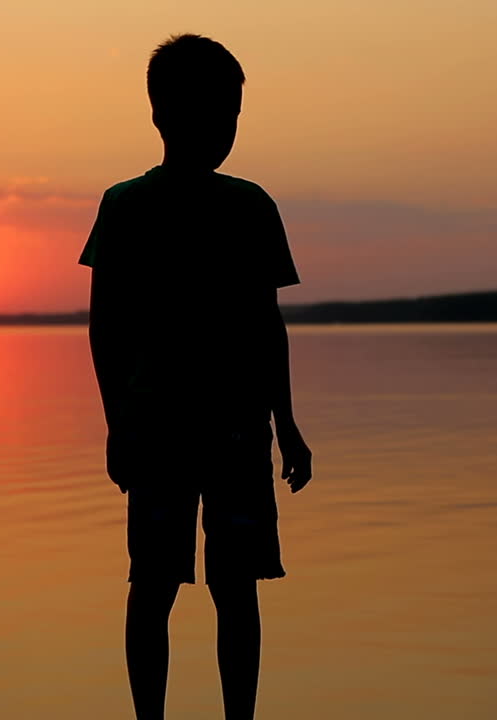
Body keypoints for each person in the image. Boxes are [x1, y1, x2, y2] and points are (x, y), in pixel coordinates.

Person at [78, 33, 314, 720]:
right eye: (210, 113)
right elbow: (106, 329)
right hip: (155, 426)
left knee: (236, 584)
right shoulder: (124, 206)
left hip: (241, 427)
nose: (222, 129)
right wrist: (117, 423)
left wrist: (289, 425)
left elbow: (267, 326)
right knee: (153, 583)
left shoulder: (251, 207)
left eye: (231, 114)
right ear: (162, 117)